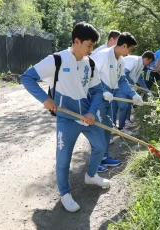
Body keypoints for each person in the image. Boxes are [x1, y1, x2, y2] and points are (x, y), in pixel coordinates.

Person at [20, 22, 109, 213]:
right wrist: (45, 99)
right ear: (76, 41)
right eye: (89, 45)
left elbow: (97, 90)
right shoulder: (56, 60)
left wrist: (92, 111)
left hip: (87, 117)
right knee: (63, 158)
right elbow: (27, 77)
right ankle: (65, 194)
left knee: (101, 146)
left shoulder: (90, 63)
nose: (91, 49)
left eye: (93, 46)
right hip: (67, 119)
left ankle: (91, 175)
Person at [91, 32, 143, 172]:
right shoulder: (102, 56)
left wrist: (133, 94)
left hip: (110, 96)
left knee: (108, 125)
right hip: (98, 96)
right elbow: (91, 75)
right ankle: (95, 163)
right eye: (130, 49)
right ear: (124, 45)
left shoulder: (120, 60)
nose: (129, 52)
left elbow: (121, 80)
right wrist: (102, 90)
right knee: (99, 128)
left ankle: (105, 157)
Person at [111, 51, 155, 134]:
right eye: (149, 62)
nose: (148, 64)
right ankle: (119, 128)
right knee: (123, 106)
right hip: (119, 85)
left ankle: (116, 127)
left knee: (123, 106)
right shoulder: (134, 60)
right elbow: (124, 73)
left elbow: (140, 79)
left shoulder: (141, 64)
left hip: (124, 85)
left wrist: (147, 91)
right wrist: (132, 83)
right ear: (146, 58)